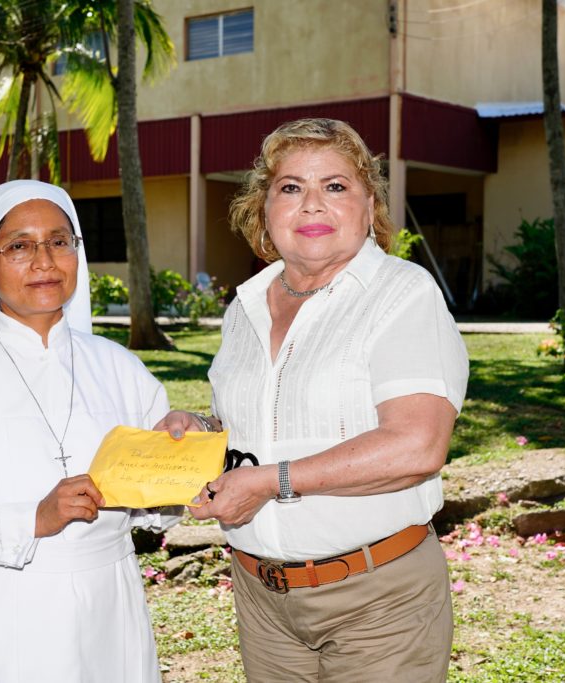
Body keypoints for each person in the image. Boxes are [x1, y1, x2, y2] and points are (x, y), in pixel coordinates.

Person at [156, 118, 469, 681]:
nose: (312, 205)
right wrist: (200, 430)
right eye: (292, 187)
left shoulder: (402, 295)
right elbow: (255, 428)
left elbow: (417, 446)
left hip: (379, 600)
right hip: (261, 600)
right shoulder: (246, 306)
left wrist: (270, 481)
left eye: (336, 186)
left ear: (369, 204)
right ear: (265, 209)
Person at [0, 180, 180, 682]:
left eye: (59, 241)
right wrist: (31, 519)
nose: (44, 261)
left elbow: (162, 504)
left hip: (106, 612)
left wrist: (178, 465)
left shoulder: (122, 368)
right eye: (19, 245)